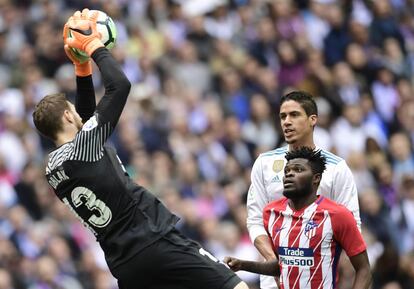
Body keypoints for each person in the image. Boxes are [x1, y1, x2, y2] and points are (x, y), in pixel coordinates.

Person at [32, 9, 249, 289]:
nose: (77, 113)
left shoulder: (52, 168)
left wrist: (82, 68)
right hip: (154, 239)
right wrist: (93, 46)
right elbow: (120, 86)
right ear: (65, 117)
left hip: (124, 263)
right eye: (72, 110)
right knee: (234, 286)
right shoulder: (84, 146)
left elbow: (86, 121)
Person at [246, 90, 361, 289]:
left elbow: (352, 224)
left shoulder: (336, 168)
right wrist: (274, 259)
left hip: (318, 277)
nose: (286, 122)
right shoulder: (264, 163)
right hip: (274, 282)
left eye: (294, 115)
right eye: (283, 116)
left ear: (313, 119)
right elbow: (255, 220)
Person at [227, 147, 372, 289]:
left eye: (298, 170)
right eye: (287, 171)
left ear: (316, 179)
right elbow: (280, 266)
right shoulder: (271, 214)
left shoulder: (337, 215)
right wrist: (242, 265)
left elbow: (364, 269)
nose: (289, 174)